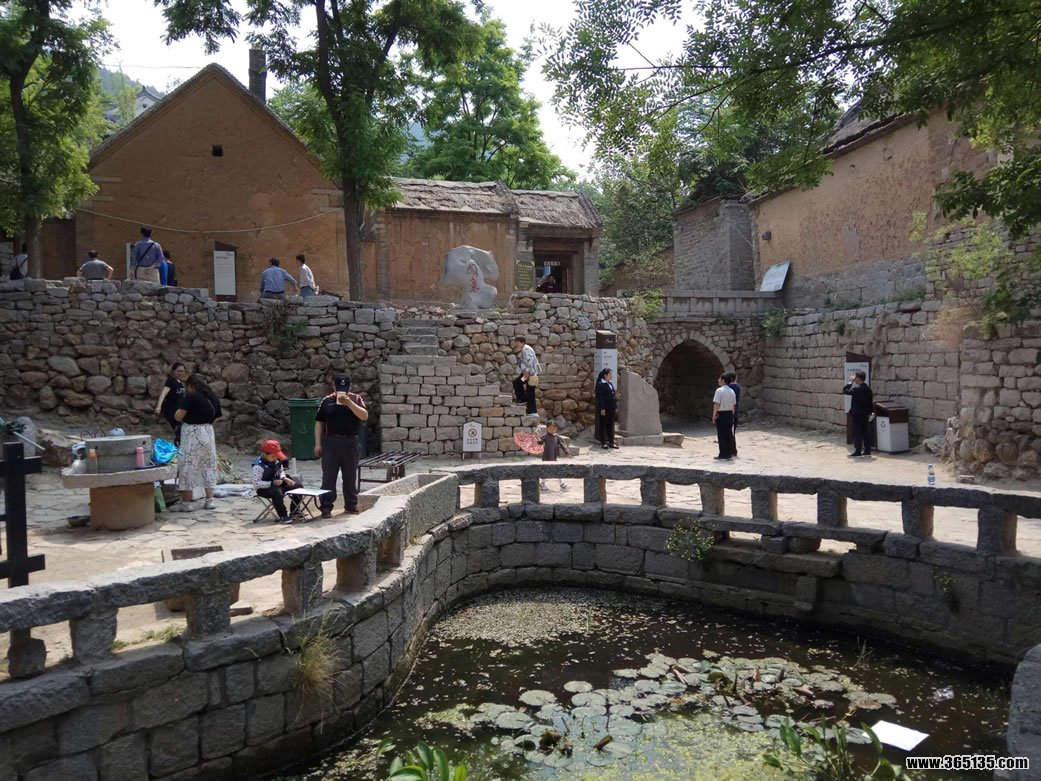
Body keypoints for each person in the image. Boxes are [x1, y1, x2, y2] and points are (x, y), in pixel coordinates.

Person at [314, 374, 368, 517]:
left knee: (350, 476)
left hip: (350, 442)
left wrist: (349, 403)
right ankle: (326, 507)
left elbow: (364, 416)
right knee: (329, 477)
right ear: (333, 386)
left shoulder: (356, 399)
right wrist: (317, 443)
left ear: (350, 387)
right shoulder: (327, 401)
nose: (342, 391)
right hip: (331, 442)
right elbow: (319, 422)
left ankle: (351, 505)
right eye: (339, 388)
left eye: (345, 388)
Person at [171, 374, 222, 512]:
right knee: (208, 464)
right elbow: (218, 416)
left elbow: (178, 416)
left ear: (191, 385)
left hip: (192, 433)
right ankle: (209, 500)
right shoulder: (213, 397)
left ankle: (186, 503)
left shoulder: (191, 396)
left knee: (188, 465)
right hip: (208, 432)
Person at [252, 439, 303, 525]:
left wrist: (285, 478)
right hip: (264, 489)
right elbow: (256, 483)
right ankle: (283, 515)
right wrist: (272, 483)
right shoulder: (258, 466)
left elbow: (281, 471)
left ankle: (295, 510)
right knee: (277, 492)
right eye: (273, 456)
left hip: (279, 484)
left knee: (298, 486)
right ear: (265, 454)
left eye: (277, 456)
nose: (275, 458)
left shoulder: (277, 461)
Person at [155, 361, 188, 446]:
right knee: (180, 429)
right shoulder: (171, 381)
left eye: (182, 371)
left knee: (181, 430)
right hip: (171, 410)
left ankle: (180, 445)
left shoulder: (180, 383)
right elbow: (163, 393)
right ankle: (179, 445)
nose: (180, 373)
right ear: (173, 371)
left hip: (179, 411)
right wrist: (159, 406)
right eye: (178, 371)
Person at [843, 370, 874, 457]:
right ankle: (867, 451)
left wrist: (850, 382)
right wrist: (871, 413)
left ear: (858, 378)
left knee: (858, 433)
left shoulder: (857, 389)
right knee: (865, 433)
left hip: (857, 414)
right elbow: (870, 402)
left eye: (855, 377)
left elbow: (845, 390)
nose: (854, 378)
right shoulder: (868, 389)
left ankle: (858, 452)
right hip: (865, 414)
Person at [511, 336, 541, 415]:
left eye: (517, 342)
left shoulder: (526, 349)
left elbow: (530, 361)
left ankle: (532, 411)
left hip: (531, 375)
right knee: (517, 382)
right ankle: (523, 400)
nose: (516, 344)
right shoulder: (524, 349)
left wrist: (527, 373)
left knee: (530, 391)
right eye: (515, 342)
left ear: (522, 342)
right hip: (526, 374)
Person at [538, 421, 570, 491]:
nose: (552, 430)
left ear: (556, 429)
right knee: (547, 470)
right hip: (546, 457)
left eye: (553, 429)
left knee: (557, 470)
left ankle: (561, 485)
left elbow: (563, 445)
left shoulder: (557, 437)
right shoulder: (545, 436)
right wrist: (537, 438)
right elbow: (539, 442)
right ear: (547, 428)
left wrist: (567, 452)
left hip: (554, 457)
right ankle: (543, 484)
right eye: (550, 429)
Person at [712, 373, 737, 460]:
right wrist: (732, 414)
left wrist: (714, 415)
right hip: (729, 414)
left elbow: (717, 404)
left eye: (719, 378)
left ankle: (723, 453)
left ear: (723, 380)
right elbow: (734, 405)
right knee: (728, 434)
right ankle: (729, 453)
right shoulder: (732, 391)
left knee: (721, 434)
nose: (718, 380)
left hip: (721, 414)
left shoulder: (719, 391)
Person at [595, 368, 620, 449]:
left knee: (611, 425)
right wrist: (602, 408)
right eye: (610, 374)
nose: (611, 376)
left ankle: (611, 442)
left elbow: (612, 395)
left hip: (611, 408)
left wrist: (615, 405)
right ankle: (603, 442)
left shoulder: (610, 383)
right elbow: (600, 397)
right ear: (605, 375)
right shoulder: (600, 384)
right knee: (603, 425)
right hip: (605, 409)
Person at [725, 371, 742, 456]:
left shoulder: (730, 387)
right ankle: (732, 450)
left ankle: (732, 450)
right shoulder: (738, 387)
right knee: (732, 432)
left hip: (730, 412)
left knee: (729, 432)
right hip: (735, 412)